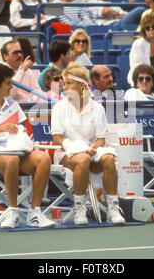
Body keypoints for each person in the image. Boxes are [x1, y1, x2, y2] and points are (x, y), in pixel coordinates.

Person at [0, 63, 56, 228]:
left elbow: (25, 131)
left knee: (43, 158)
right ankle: (12, 210)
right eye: (8, 83)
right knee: (11, 161)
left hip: (17, 151)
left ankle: (35, 212)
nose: (11, 87)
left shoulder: (14, 105)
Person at [51, 62, 125, 225]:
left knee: (109, 159)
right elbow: (57, 139)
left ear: (81, 85)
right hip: (66, 152)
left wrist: (93, 148)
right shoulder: (59, 107)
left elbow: (100, 139)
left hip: (90, 151)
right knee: (82, 159)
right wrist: (74, 148)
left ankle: (113, 208)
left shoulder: (97, 108)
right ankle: (80, 208)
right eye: (64, 83)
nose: (64, 87)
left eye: (69, 83)